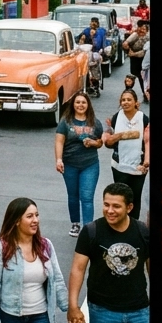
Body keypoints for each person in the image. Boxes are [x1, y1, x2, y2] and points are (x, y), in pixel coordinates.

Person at [67, 182, 153, 323]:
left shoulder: (143, 233)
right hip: (103, 312)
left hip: (139, 313)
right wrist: (73, 306)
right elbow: (78, 269)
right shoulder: (91, 231)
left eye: (116, 206)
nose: (109, 210)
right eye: (106, 204)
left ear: (129, 208)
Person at [55, 91, 104, 236]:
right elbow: (59, 141)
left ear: (88, 105)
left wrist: (94, 142)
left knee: (87, 197)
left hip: (90, 164)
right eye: (78, 102)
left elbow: (101, 142)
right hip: (69, 163)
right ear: (73, 104)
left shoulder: (95, 122)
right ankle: (75, 224)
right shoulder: (65, 122)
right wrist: (59, 159)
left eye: (83, 102)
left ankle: (87, 228)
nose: (80, 105)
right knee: (73, 195)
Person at [103, 88, 150, 219]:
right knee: (121, 198)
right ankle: (120, 222)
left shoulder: (144, 119)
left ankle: (133, 225)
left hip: (138, 168)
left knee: (135, 199)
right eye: (123, 100)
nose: (126, 102)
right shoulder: (116, 117)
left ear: (136, 103)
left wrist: (146, 161)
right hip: (119, 166)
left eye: (129, 100)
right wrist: (112, 138)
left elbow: (148, 142)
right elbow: (109, 142)